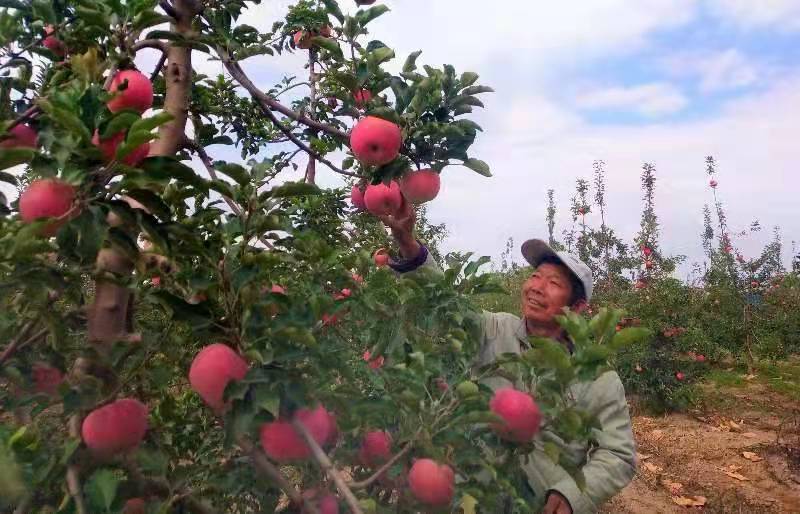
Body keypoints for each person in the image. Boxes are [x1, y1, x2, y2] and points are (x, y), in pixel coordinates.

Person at [379, 201, 636, 514]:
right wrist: (409, 245)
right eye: (536, 276)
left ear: (578, 308)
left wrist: (572, 496)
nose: (537, 288)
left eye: (554, 283)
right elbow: (448, 303)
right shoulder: (494, 328)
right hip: (469, 495)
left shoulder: (597, 378)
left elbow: (618, 454)